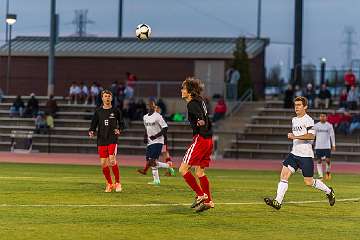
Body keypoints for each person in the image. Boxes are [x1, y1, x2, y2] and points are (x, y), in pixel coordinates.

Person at [264, 96, 335, 210]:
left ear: (305, 107)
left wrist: (295, 136)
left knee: (308, 181)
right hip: (294, 154)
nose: (296, 107)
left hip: (306, 155)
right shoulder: (294, 120)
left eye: (299, 105)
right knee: (284, 175)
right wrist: (294, 138)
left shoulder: (308, 120)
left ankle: (329, 191)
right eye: (295, 105)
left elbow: (311, 136)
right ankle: (278, 202)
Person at [179, 77, 214, 213]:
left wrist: (200, 121)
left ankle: (200, 195)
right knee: (199, 172)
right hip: (209, 140)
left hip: (201, 139)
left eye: (183, 88)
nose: (181, 90)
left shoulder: (192, 103)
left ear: (190, 91)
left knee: (183, 169)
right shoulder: (200, 100)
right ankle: (209, 201)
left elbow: (200, 118)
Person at [89, 90, 124, 193]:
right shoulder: (98, 111)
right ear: (102, 98)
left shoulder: (116, 110)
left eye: (109, 96)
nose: (107, 98)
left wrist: (119, 129)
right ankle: (109, 183)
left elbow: (122, 123)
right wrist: (91, 131)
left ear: (111, 98)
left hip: (112, 138)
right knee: (104, 163)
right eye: (105, 96)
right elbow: (93, 124)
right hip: (101, 139)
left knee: (112, 160)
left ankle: (117, 183)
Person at [139, 99, 175, 185]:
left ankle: (166, 168)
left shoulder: (158, 116)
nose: (150, 106)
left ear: (155, 106)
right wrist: (145, 136)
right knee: (149, 161)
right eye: (149, 104)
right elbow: (146, 128)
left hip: (158, 141)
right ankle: (157, 180)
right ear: (147, 106)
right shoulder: (145, 117)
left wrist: (156, 136)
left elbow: (165, 128)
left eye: (152, 104)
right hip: (150, 142)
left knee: (152, 160)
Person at [314, 113, 336, 180]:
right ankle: (320, 176)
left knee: (328, 160)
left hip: (327, 146)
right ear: (319, 117)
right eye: (321, 116)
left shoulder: (329, 125)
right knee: (319, 160)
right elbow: (313, 136)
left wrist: (333, 145)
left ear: (326, 117)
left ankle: (328, 172)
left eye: (324, 116)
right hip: (318, 146)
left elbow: (332, 135)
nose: (322, 117)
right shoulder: (316, 125)